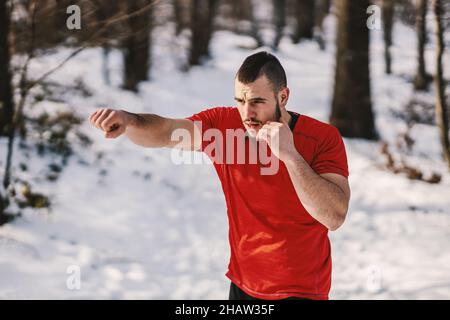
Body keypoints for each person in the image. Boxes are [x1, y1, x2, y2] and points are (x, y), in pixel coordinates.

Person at [89, 51, 350, 300]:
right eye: (240, 101)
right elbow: (167, 131)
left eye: (257, 102)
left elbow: (334, 216)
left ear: (283, 97)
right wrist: (129, 121)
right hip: (242, 284)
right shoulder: (223, 128)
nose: (247, 113)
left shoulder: (321, 138)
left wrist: (290, 155)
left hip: (302, 289)